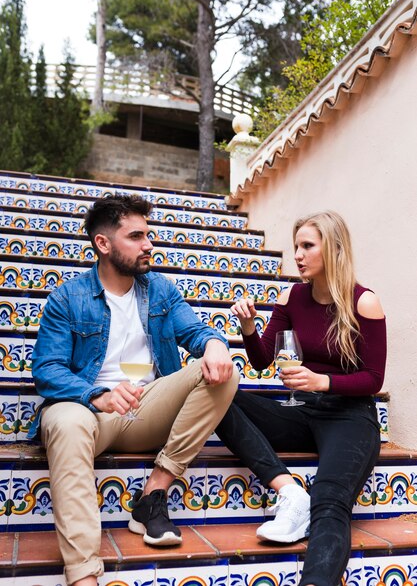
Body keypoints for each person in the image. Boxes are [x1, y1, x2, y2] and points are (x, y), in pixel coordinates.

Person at [29, 194, 240, 586]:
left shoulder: (160, 289)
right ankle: (83, 574)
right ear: (104, 244)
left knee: (223, 371)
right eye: (136, 236)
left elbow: (196, 331)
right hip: (89, 412)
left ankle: (153, 491)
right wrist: (98, 394)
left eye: (149, 235)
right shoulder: (67, 298)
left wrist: (213, 344)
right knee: (65, 420)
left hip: (147, 410)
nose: (149, 245)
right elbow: (46, 370)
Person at [216, 210, 386, 586]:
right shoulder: (291, 296)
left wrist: (322, 381)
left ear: (334, 249)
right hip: (302, 412)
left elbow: (374, 380)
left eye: (307, 246)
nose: (297, 254)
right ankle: (290, 493)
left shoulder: (364, 302)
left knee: (330, 502)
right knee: (216, 394)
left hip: (350, 418)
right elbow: (262, 360)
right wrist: (247, 327)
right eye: (296, 246)